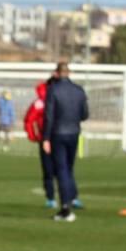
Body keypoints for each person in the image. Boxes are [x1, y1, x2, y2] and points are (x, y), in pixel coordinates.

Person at [43, 62, 89, 221]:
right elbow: (85, 114)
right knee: (69, 169)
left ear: (57, 73)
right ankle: (71, 199)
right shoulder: (79, 90)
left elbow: (49, 116)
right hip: (74, 133)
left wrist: (46, 138)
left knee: (61, 170)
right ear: (69, 73)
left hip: (58, 133)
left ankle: (65, 208)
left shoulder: (53, 90)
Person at [24, 80, 56, 208]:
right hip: (47, 138)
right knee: (49, 168)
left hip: (61, 136)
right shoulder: (40, 102)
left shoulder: (62, 97)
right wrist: (34, 136)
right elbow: (29, 119)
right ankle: (51, 198)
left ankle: (69, 197)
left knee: (62, 168)